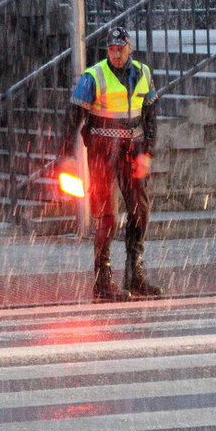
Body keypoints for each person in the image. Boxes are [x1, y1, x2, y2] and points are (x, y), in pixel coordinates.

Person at [60, 25, 163, 301]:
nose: (116, 55)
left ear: (130, 49)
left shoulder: (143, 73)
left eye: (120, 49)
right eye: (111, 50)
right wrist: (68, 158)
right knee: (107, 216)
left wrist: (147, 153)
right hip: (102, 151)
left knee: (140, 210)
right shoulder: (93, 76)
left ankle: (134, 274)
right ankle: (102, 280)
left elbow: (151, 116)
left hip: (132, 149)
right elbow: (73, 119)